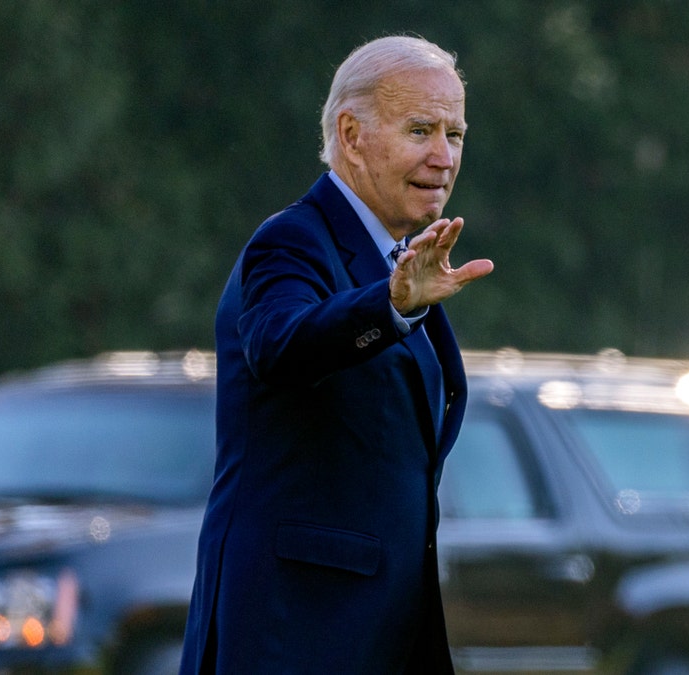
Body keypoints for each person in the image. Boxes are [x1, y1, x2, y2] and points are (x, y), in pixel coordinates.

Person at [179, 34, 493, 674]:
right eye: (420, 130)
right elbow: (280, 344)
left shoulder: (402, 259)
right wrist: (391, 306)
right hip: (292, 635)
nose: (443, 156)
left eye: (454, 135)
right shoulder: (291, 240)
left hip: (377, 632)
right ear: (351, 136)